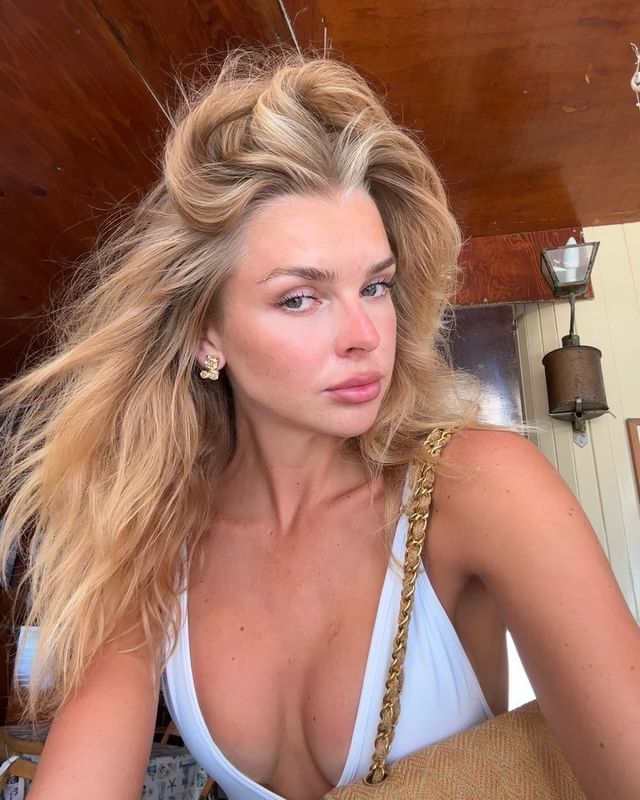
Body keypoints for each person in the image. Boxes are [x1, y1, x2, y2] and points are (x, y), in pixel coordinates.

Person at [0, 46, 639, 800]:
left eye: (375, 286)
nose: (364, 335)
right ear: (206, 333)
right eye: (300, 298)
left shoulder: (478, 487)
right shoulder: (153, 536)